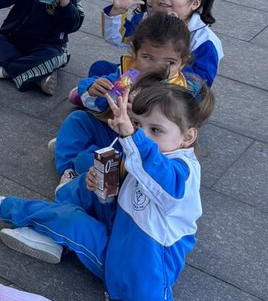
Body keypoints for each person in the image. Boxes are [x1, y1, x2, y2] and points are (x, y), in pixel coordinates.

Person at [0, 78, 215, 301]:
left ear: (188, 137)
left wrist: (131, 136)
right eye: (139, 124)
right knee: (84, 180)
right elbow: (126, 189)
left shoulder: (182, 172)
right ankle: (53, 230)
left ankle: (9, 210)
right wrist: (102, 187)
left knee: (72, 221)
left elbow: (156, 175)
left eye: (156, 130)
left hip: (131, 268)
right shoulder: (149, 152)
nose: (145, 135)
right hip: (121, 227)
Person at [51, 12, 199, 186]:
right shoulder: (129, 75)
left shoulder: (181, 90)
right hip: (113, 131)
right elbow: (99, 106)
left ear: (183, 62)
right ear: (134, 52)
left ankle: (71, 152)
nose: (157, 67)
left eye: (169, 62)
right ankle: (68, 170)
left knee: (86, 161)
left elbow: (178, 134)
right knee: (77, 120)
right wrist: (93, 90)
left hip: (145, 149)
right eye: (148, 57)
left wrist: (139, 114)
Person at [102, 0, 222, 86]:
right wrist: (118, 10)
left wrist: (169, 67)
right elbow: (116, 39)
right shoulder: (145, 19)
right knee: (100, 68)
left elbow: (202, 82)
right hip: (139, 74)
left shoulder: (205, 40)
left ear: (195, 3)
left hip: (172, 90)